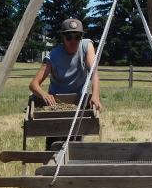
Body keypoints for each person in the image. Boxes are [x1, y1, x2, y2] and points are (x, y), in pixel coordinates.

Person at [29, 19, 103, 149]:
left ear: (82, 37)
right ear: (63, 37)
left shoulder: (87, 46)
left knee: (76, 144)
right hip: (57, 105)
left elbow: (93, 72)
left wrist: (95, 96)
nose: (74, 41)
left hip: (78, 102)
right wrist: (44, 95)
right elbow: (33, 84)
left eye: (77, 37)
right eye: (69, 37)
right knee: (54, 144)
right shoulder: (54, 57)